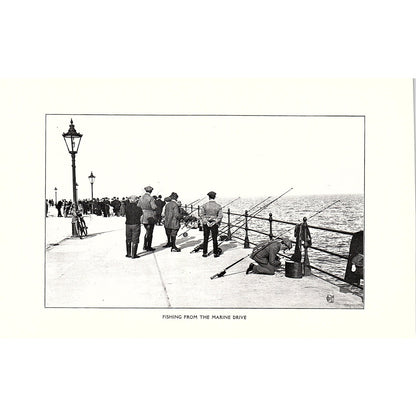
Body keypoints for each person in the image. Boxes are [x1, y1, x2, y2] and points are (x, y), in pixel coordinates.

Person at [199, 191, 223, 257]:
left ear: (208, 197)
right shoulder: (218, 206)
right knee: (214, 238)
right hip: (214, 224)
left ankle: (205, 253)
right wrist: (214, 222)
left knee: (205, 238)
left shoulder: (204, 205)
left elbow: (201, 215)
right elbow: (220, 216)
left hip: (206, 223)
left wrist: (206, 222)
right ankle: (215, 253)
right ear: (214, 197)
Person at [139, 186, 158, 251]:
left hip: (143, 216)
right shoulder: (151, 198)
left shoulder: (141, 197)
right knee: (150, 232)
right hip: (150, 216)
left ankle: (145, 245)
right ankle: (148, 246)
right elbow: (154, 207)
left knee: (147, 231)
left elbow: (138, 206)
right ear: (151, 191)